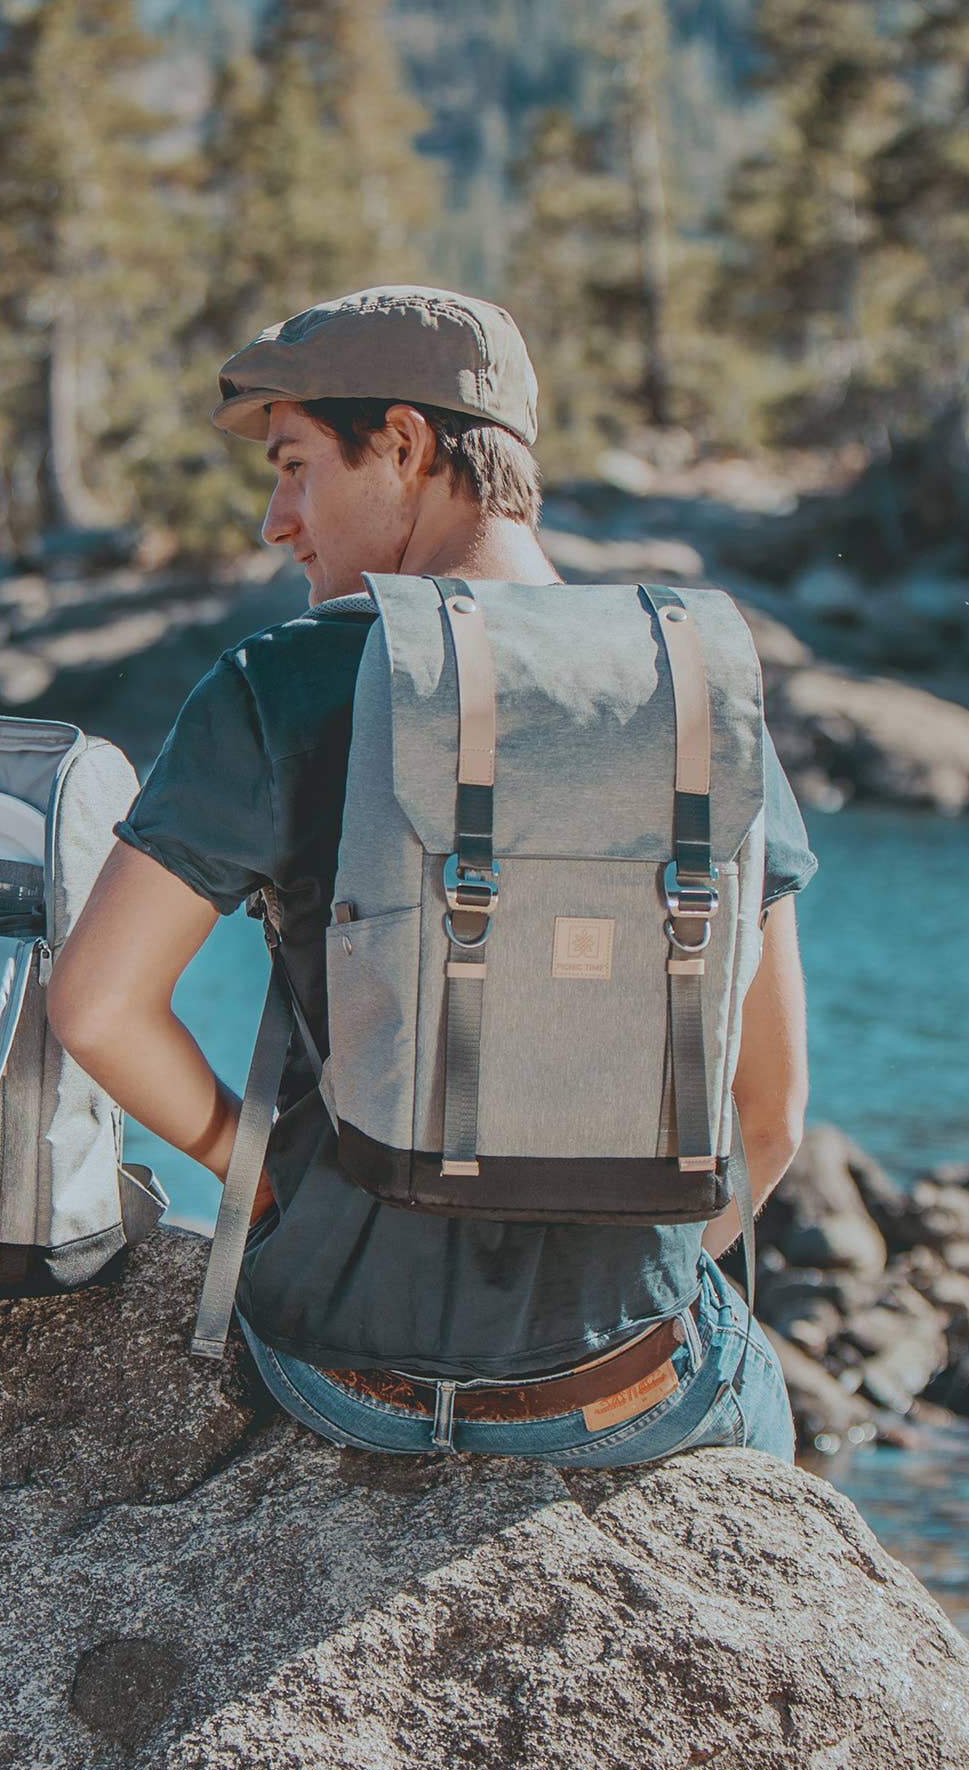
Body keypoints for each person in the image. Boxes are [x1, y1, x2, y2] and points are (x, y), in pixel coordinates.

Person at [50, 288, 816, 1464]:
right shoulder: (695, 692)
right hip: (616, 1392)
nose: (276, 519)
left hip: (343, 1372)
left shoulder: (281, 683)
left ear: (404, 445)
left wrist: (258, 1188)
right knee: (756, 1382)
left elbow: (96, 1006)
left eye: (296, 466)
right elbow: (769, 1115)